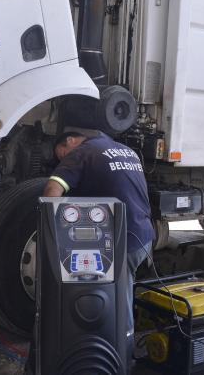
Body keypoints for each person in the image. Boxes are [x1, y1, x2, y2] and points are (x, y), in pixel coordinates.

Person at [43, 130, 154, 360]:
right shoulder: (125, 150)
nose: (61, 160)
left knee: (118, 304)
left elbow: (52, 190)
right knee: (118, 294)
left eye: (60, 154)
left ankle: (122, 357)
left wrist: (51, 234)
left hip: (124, 239)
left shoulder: (83, 151)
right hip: (143, 236)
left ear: (71, 140)